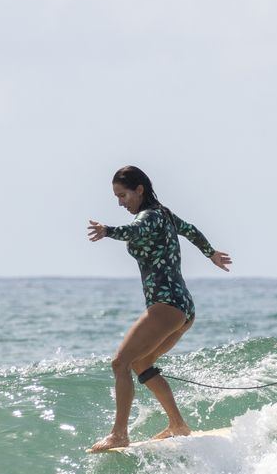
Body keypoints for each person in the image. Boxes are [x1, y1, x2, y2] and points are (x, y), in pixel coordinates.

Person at [86, 166, 232, 453]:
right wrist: (210, 253)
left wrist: (108, 231)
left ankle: (119, 434)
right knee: (141, 364)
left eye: (124, 195)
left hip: (165, 303)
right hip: (183, 307)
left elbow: (134, 230)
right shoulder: (164, 214)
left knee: (120, 363)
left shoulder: (149, 217)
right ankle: (177, 424)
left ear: (140, 189)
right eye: (116, 197)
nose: (120, 202)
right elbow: (190, 230)